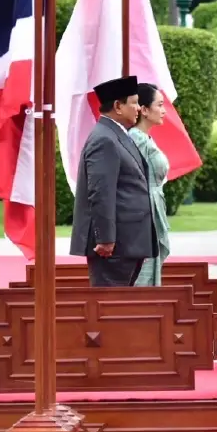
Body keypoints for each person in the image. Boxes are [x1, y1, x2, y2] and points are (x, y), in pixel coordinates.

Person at [69, 75, 158, 287]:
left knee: (120, 303)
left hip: (127, 244)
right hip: (114, 248)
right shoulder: (104, 139)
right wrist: (105, 239)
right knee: (109, 303)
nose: (138, 108)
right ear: (118, 106)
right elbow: (101, 193)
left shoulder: (116, 134)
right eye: (134, 103)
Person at [128, 83, 172, 286]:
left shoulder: (145, 138)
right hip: (143, 215)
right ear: (144, 110)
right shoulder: (135, 139)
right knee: (142, 277)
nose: (164, 111)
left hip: (152, 209)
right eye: (159, 105)